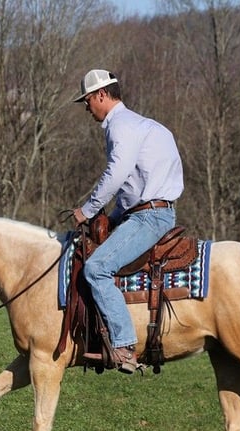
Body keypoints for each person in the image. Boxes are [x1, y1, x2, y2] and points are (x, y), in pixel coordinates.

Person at [71, 69, 184, 374]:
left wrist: (89, 209)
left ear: (101, 95)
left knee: (96, 268)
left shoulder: (119, 126)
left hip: (149, 217)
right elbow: (132, 185)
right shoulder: (144, 125)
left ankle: (124, 345)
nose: (86, 108)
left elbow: (117, 174)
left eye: (87, 100)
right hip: (152, 210)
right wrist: (117, 216)